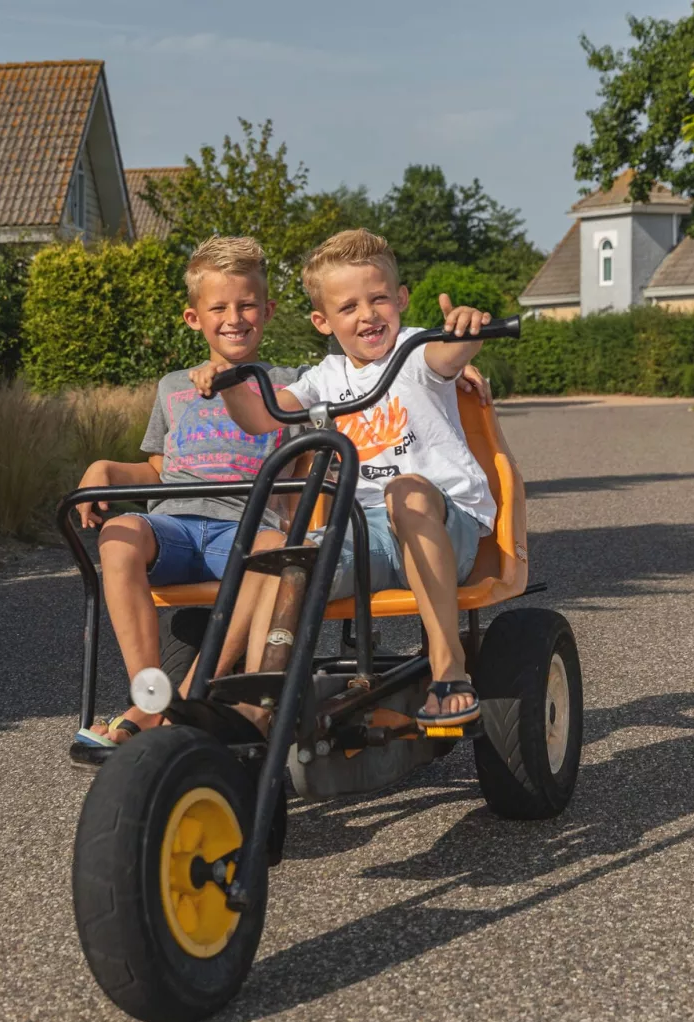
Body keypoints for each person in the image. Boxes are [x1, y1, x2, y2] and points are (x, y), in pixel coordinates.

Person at [193, 228, 497, 727]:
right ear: (322, 320)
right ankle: (250, 711)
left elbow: (450, 355)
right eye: (349, 307)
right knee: (288, 562)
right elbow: (261, 417)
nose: (367, 315)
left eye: (379, 299)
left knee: (406, 490)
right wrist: (225, 379)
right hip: (368, 532)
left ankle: (449, 666)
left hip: (443, 523)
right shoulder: (325, 378)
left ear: (401, 299)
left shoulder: (417, 350)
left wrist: (465, 331)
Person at [70, 236, 297, 758]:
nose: (234, 317)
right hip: (175, 524)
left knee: (269, 554)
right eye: (219, 307)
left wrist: (450, 372)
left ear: (268, 310)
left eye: (246, 305)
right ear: (195, 318)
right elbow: (157, 468)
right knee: (120, 531)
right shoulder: (172, 385)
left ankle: (190, 696)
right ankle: (149, 694)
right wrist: (102, 467)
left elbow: (359, 380)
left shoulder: (291, 383)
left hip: (244, 527)